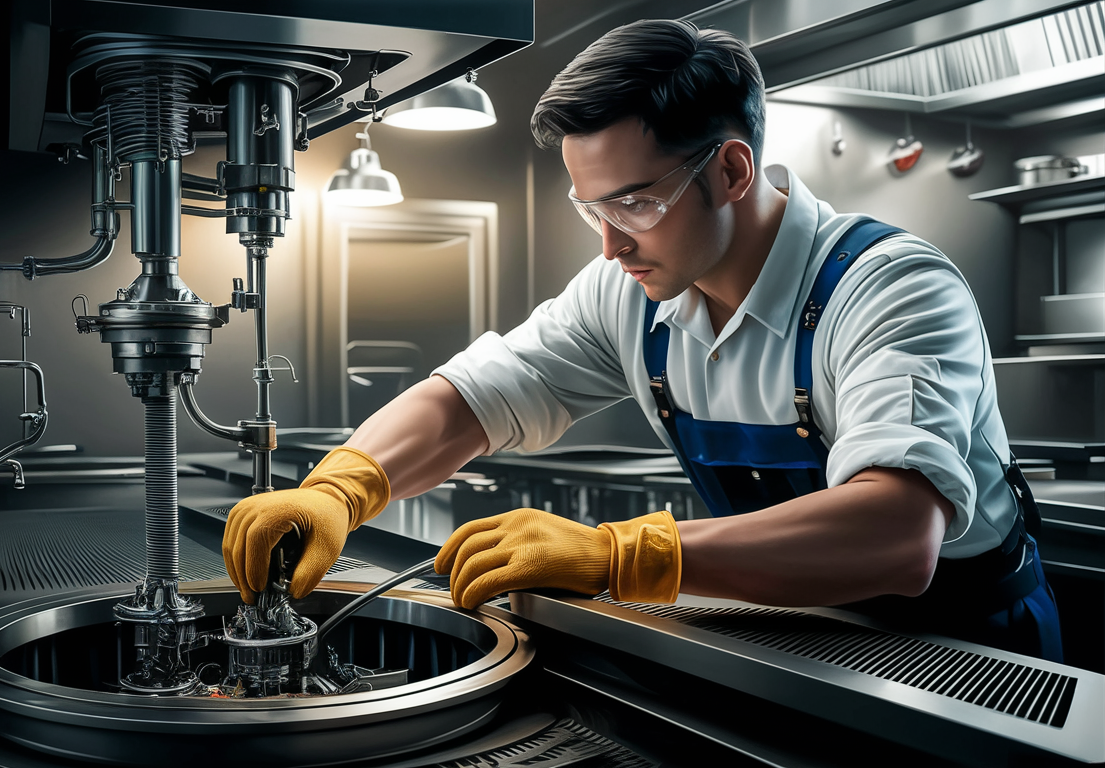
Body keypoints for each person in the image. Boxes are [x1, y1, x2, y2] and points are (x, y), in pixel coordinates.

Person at [223, 19, 1062, 662]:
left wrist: (619, 553)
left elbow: (895, 534)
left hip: (971, 652)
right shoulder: (632, 296)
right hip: (806, 633)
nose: (610, 244)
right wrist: (342, 485)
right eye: (592, 209)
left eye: (632, 203)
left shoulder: (890, 287)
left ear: (731, 172)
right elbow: (478, 397)